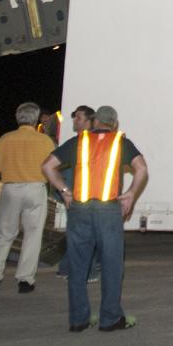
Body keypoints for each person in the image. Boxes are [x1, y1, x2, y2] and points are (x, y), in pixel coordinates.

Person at [42, 105, 149, 332]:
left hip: (79, 209)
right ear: (115, 124)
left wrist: (64, 190)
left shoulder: (78, 142)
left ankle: (78, 320)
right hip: (108, 210)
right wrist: (130, 194)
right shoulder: (120, 142)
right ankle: (110, 319)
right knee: (111, 265)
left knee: (78, 265)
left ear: (95, 121)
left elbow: (48, 166)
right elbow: (141, 169)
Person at [0, 102, 57, 293]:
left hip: (10, 189)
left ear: (18, 118)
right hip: (35, 189)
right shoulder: (45, 141)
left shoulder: (5, 139)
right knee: (33, 235)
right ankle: (25, 280)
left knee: (4, 234)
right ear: (35, 119)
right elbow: (52, 167)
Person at [54, 105, 100, 281]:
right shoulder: (76, 142)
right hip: (78, 195)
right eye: (74, 117)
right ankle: (87, 272)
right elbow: (50, 165)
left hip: (84, 193)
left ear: (89, 121)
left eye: (78, 118)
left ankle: (67, 268)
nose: (74, 120)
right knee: (85, 234)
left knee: (77, 233)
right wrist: (64, 189)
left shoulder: (87, 142)